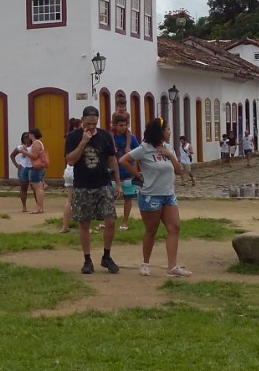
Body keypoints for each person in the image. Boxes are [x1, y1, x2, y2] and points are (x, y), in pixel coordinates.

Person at [126, 117, 191, 278]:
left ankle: (172, 266)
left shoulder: (168, 148)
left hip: (168, 194)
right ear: (159, 132)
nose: (170, 132)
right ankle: (145, 263)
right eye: (167, 129)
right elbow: (124, 160)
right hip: (151, 196)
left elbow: (179, 171)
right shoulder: (144, 149)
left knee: (175, 227)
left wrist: (170, 155)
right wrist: (137, 174)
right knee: (151, 230)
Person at [64, 106, 123, 274]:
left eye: (94, 124)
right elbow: (70, 160)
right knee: (84, 223)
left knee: (110, 220)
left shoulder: (105, 136)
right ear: (82, 120)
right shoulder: (73, 137)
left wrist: (117, 183)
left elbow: (112, 160)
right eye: (88, 123)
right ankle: (87, 259)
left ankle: (107, 256)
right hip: (82, 185)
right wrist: (83, 142)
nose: (91, 127)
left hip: (103, 183)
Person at [110, 113, 140, 230]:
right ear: (115, 125)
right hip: (112, 173)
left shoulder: (131, 138)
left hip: (127, 173)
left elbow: (138, 152)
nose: (123, 127)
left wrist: (130, 153)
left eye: (125, 125)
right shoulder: (110, 137)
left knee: (128, 198)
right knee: (109, 198)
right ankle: (108, 220)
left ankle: (125, 222)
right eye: (120, 125)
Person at [59, 119, 81, 233]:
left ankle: (65, 226)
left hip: (68, 169)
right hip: (78, 169)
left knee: (69, 200)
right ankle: (83, 226)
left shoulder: (68, 137)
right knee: (81, 199)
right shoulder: (80, 137)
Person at [27, 128, 49, 214]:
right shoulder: (39, 143)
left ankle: (39, 207)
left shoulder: (36, 143)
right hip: (41, 167)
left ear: (32, 134)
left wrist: (24, 152)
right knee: (39, 188)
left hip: (36, 167)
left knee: (37, 189)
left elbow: (34, 156)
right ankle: (40, 207)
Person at [12, 132, 32, 212]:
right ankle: (24, 206)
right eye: (24, 137)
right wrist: (17, 165)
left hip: (32, 168)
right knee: (24, 188)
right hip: (23, 168)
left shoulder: (34, 147)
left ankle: (38, 205)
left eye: (28, 137)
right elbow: (12, 155)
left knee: (35, 188)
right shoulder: (20, 147)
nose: (26, 139)